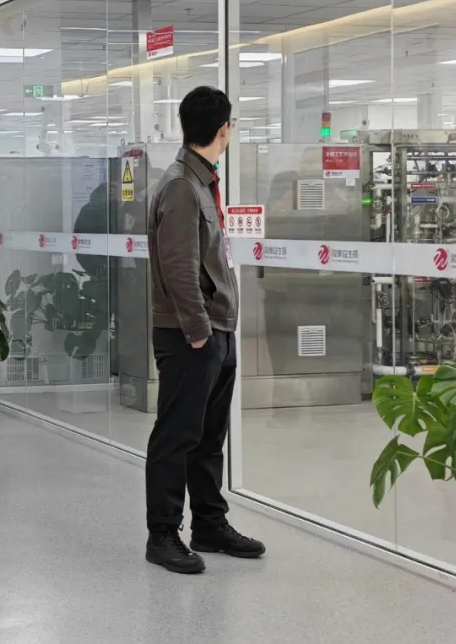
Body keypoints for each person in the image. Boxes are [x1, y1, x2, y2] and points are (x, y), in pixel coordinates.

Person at [145, 86, 264, 574]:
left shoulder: (200, 181)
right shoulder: (180, 185)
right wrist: (198, 332)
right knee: (177, 435)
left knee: (209, 435)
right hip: (191, 333)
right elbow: (178, 266)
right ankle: (162, 534)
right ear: (223, 129)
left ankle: (210, 524)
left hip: (217, 329)